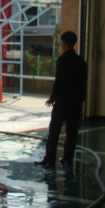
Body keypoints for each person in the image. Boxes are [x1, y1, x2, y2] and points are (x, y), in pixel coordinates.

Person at [35, 31, 87, 168]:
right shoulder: (81, 61)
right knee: (72, 133)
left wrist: (53, 97)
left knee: (54, 132)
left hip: (62, 102)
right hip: (75, 103)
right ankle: (67, 158)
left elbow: (59, 81)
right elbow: (83, 83)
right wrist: (81, 100)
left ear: (64, 43)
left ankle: (49, 159)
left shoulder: (63, 59)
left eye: (60, 42)